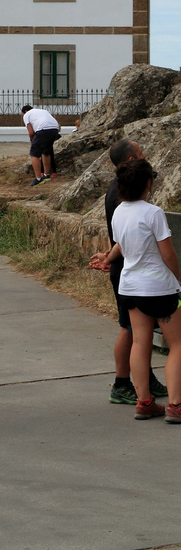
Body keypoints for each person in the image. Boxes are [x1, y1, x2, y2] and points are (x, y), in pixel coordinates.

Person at [91, 158, 181, 421]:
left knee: (140, 343)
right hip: (160, 288)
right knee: (177, 345)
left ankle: (144, 402)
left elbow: (120, 243)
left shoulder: (119, 211)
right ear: (149, 184)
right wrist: (178, 278)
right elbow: (168, 255)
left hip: (130, 287)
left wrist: (109, 258)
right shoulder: (153, 213)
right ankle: (175, 406)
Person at [21, 104, 60, 186]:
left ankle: (38, 178)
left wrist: (32, 140)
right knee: (46, 152)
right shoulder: (43, 111)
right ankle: (46, 175)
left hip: (43, 129)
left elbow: (31, 132)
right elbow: (58, 126)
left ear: (24, 112)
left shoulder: (26, 115)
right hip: (54, 129)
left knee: (34, 154)